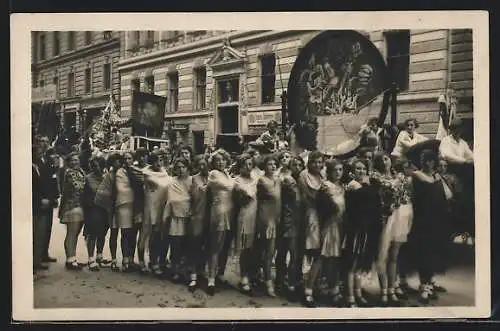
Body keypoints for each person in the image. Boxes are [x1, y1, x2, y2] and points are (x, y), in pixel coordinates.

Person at [409, 149, 453, 304]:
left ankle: (430, 282)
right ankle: (424, 286)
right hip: (422, 221)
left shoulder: (437, 177)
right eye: (425, 160)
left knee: (434, 251)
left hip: (436, 221)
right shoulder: (417, 177)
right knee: (424, 252)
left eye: (430, 160)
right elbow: (413, 198)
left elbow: (448, 195)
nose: (428, 163)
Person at [303, 159, 346, 307]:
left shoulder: (342, 187)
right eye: (336, 170)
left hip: (339, 227)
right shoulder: (326, 187)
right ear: (329, 171)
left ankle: (333, 290)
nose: (338, 173)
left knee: (333, 260)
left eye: (341, 170)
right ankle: (308, 292)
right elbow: (321, 209)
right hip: (328, 227)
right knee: (320, 258)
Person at [372, 152, 413, 306]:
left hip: (398, 216)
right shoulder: (375, 176)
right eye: (381, 160)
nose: (385, 162)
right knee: (382, 254)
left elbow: (404, 196)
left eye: (386, 158)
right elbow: (386, 187)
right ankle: (384, 291)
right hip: (384, 218)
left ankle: (392, 289)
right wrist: (398, 180)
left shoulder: (398, 175)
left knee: (394, 255)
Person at [342, 158, 382, 307]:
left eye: (363, 169)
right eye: (358, 169)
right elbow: (366, 199)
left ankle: (358, 293)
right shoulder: (354, 186)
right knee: (352, 264)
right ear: (353, 172)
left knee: (359, 263)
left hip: (364, 228)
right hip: (355, 230)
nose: (361, 171)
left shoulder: (365, 185)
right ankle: (351, 296)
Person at [297, 151, 325, 306]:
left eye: (320, 162)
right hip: (310, 215)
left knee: (320, 252)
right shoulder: (304, 175)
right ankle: (306, 290)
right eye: (315, 162)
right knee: (311, 251)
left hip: (322, 215)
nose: (317, 165)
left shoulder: (322, 176)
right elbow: (308, 196)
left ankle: (315, 286)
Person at [206, 150, 235, 295]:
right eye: (217, 160)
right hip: (219, 212)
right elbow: (229, 187)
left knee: (225, 246)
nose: (220, 162)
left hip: (229, 212)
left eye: (223, 160)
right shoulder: (214, 174)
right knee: (216, 246)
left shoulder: (227, 174)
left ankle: (220, 274)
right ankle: (211, 279)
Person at [232, 153, 259, 295]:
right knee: (245, 248)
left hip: (257, 215)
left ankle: (252, 275)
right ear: (240, 166)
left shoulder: (256, 178)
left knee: (254, 249)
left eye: (250, 164)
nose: (248, 167)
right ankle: (243, 277)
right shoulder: (237, 181)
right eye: (244, 165)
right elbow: (241, 201)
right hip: (245, 216)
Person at [256, 155, 282, 297]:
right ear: (264, 166)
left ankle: (261, 276)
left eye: (274, 164)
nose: (272, 166)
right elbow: (259, 201)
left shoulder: (278, 179)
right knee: (269, 252)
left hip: (277, 218)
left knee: (271, 252)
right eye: (269, 164)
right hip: (267, 219)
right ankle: (268, 282)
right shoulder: (262, 180)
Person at [164, 158, 193, 282]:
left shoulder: (192, 181)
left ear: (187, 168)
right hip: (175, 217)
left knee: (187, 246)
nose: (180, 170)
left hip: (189, 218)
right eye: (178, 167)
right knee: (175, 244)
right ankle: (175, 270)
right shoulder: (172, 182)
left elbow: (195, 199)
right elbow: (170, 200)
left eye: (183, 167)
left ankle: (185, 270)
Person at [142, 153, 171, 276]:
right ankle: (153, 262)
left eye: (161, 160)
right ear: (151, 162)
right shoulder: (147, 174)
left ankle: (161, 260)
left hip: (164, 206)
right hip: (152, 207)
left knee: (163, 236)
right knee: (153, 236)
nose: (159, 163)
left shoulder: (165, 173)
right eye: (157, 161)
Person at [58, 151, 86, 270]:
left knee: (75, 234)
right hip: (72, 206)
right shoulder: (69, 173)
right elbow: (78, 186)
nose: (75, 162)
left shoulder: (80, 171)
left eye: (76, 160)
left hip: (79, 206)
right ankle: (70, 259)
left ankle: (73, 258)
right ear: (69, 162)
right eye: (72, 160)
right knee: (71, 234)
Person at [188, 155, 210, 292]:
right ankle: (193, 274)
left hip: (210, 216)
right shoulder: (194, 179)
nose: (203, 167)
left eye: (205, 164)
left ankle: (203, 271)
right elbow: (193, 197)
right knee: (195, 245)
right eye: (200, 165)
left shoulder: (214, 177)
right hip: (197, 215)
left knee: (207, 245)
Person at [82, 155, 108, 271]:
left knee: (102, 233)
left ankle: (99, 255)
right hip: (92, 209)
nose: (95, 168)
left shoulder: (106, 178)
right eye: (93, 166)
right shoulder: (87, 178)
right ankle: (91, 258)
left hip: (104, 209)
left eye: (98, 166)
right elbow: (84, 196)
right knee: (92, 234)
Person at [37, 147, 60, 264]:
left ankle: (44, 253)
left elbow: (54, 182)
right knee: (42, 228)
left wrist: (55, 197)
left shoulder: (51, 164)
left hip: (50, 200)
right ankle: (39, 255)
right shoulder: (42, 165)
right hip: (43, 200)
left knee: (48, 228)